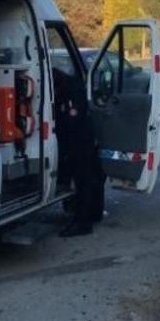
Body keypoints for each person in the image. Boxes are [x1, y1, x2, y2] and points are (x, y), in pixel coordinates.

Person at [51, 66, 105, 237]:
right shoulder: (73, 87)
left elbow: (71, 118)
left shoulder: (71, 92)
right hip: (84, 140)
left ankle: (82, 223)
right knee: (91, 179)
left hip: (79, 141)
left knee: (83, 181)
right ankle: (93, 214)